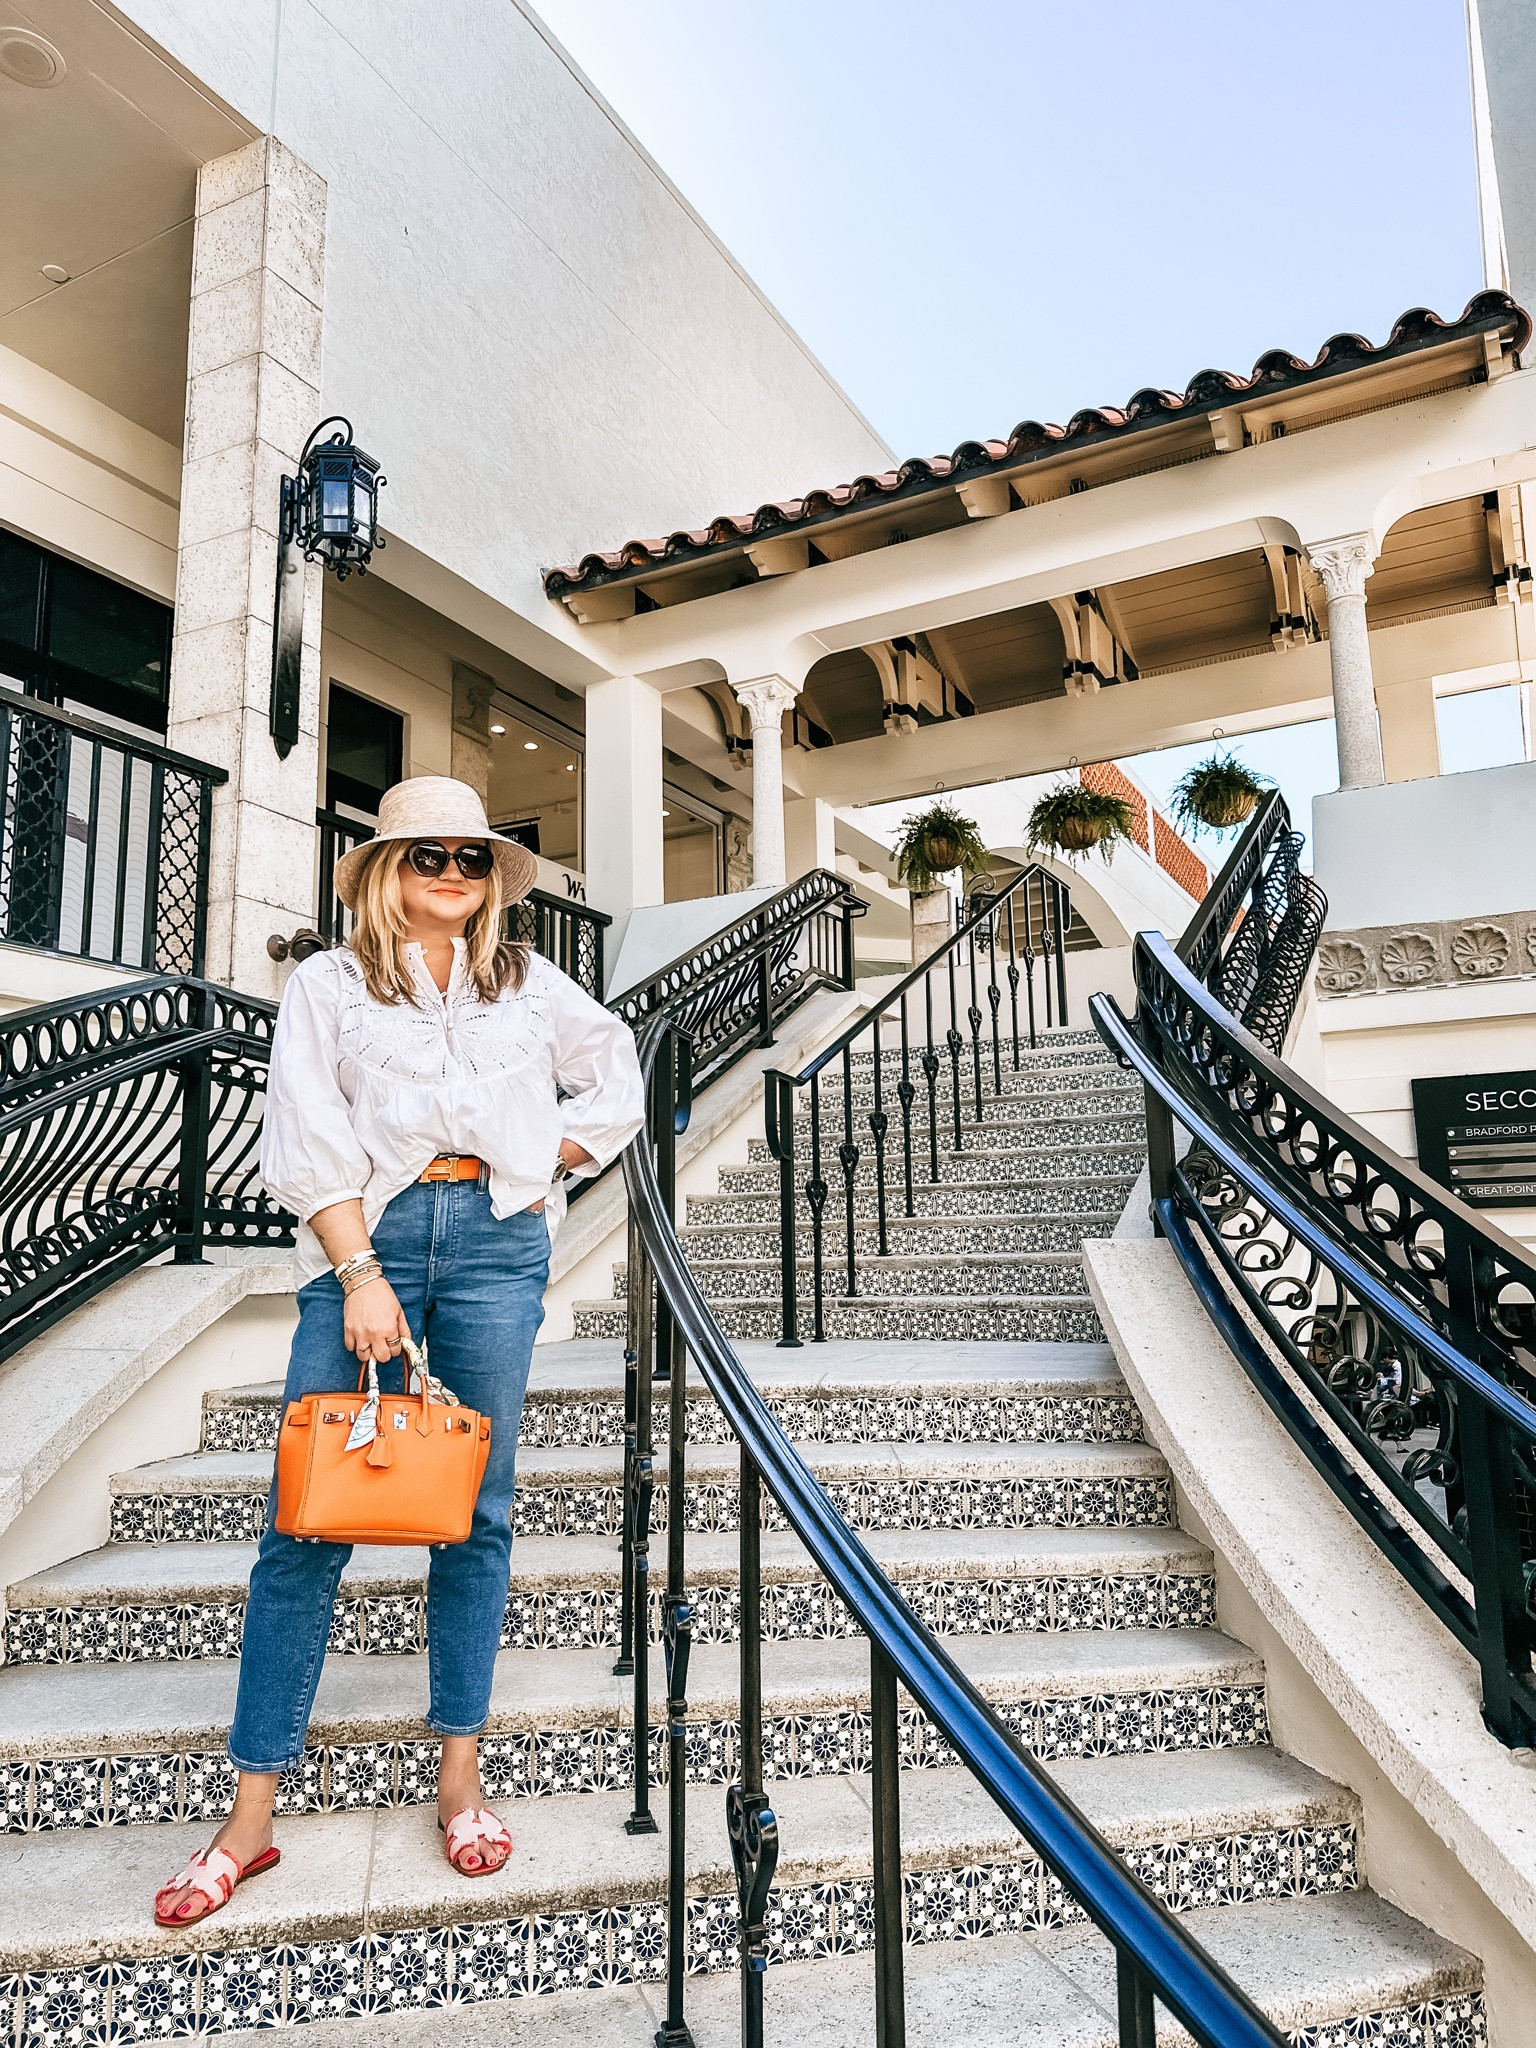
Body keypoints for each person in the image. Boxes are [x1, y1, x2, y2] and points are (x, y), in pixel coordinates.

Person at [154, 776, 643, 1925]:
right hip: (364, 1236)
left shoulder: (526, 983)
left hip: (496, 1244)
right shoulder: (328, 984)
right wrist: (360, 1273)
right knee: (304, 1518)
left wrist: (543, 1155)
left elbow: (616, 1071)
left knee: (477, 1511)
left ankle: (459, 1777)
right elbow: (304, 1132)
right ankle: (250, 1816)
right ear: (385, 869)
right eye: (429, 854)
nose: (454, 874)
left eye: (472, 858)